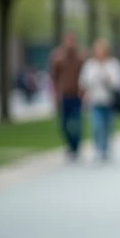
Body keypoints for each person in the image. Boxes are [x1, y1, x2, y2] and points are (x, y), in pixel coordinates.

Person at [79, 39, 120, 162]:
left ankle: (105, 148)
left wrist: (108, 80)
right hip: (95, 100)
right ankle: (99, 149)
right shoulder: (90, 65)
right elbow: (83, 81)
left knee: (108, 126)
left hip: (109, 101)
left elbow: (119, 82)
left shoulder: (113, 64)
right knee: (97, 126)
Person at [49, 32, 86, 161]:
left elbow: (86, 75)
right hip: (64, 95)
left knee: (76, 123)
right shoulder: (57, 57)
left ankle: (76, 147)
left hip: (77, 95)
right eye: (68, 40)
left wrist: (84, 92)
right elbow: (53, 77)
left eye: (72, 40)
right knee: (63, 124)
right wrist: (55, 93)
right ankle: (70, 145)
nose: (70, 43)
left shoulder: (81, 57)